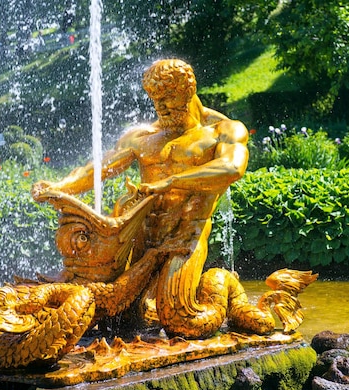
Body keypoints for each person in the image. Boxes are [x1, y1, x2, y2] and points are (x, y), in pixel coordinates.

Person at [32, 59, 249, 336]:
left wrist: (171, 181)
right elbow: (99, 168)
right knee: (116, 319)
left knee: (181, 321)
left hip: (185, 236)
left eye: (168, 98)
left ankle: (222, 283)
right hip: (139, 238)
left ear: (188, 91)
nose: (161, 107)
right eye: (155, 100)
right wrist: (61, 186)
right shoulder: (143, 136)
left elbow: (231, 168)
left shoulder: (223, 130)